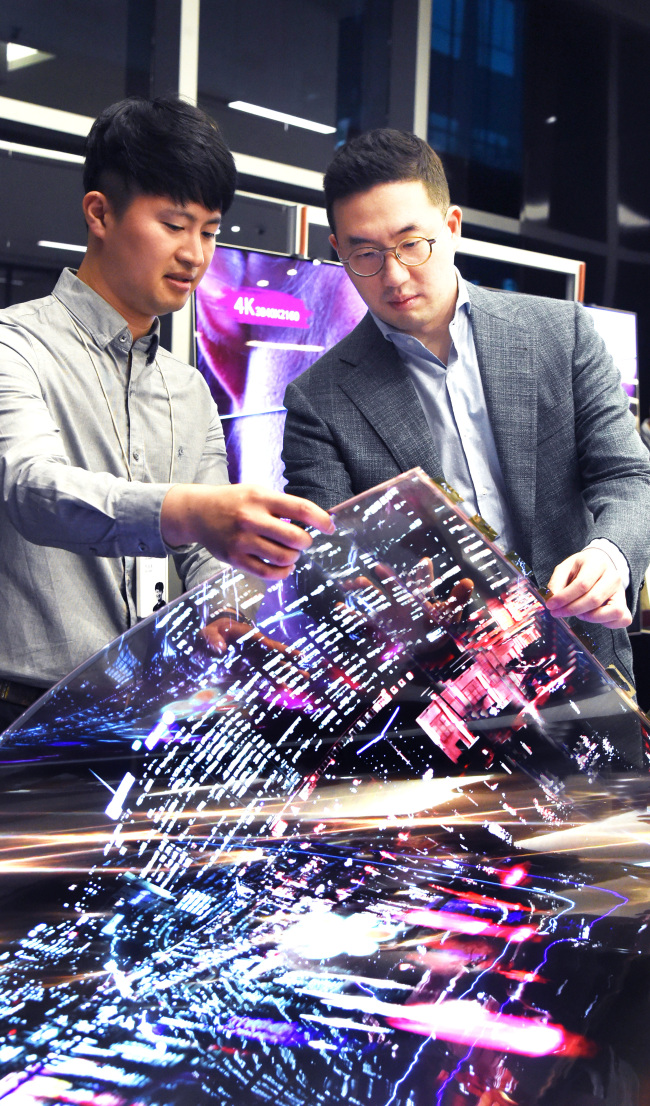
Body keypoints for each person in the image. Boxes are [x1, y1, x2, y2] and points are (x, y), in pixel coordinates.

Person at [0, 95, 333, 730]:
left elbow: (208, 560)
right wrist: (185, 512)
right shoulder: (14, 347)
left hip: (152, 720)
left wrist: (228, 609)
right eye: (175, 225)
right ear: (100, 213)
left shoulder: (188, 391)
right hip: (22, 716)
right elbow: (29, 488)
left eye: (210, 231)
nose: (197, 255)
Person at [282, 128, 650, 690]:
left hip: (588, 666)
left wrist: (611, 557)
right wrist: (386, 604)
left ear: (451, 227)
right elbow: (326, 568)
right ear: (339, 251)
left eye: (412, 244)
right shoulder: (320, 398)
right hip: (434, 696)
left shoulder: (562, 334)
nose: (395, 276)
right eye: (366, 255)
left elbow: (629, 476)